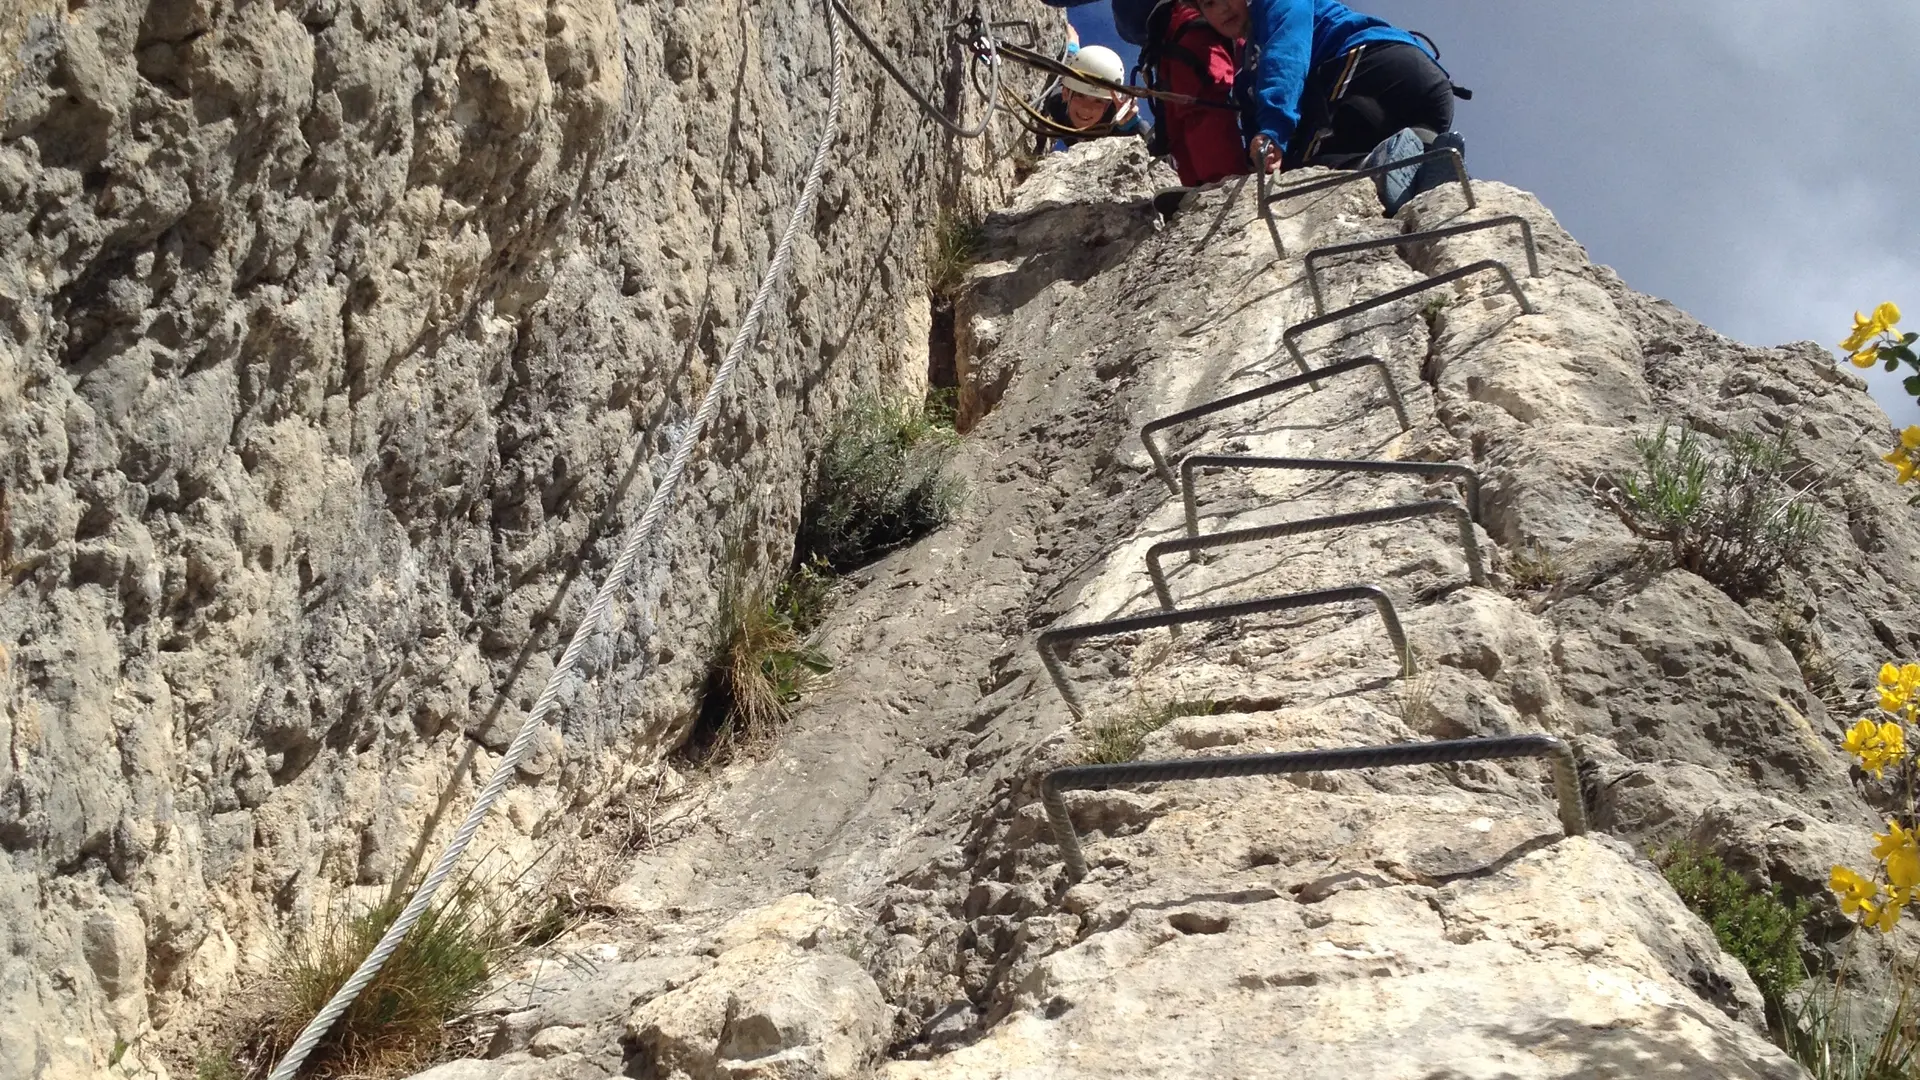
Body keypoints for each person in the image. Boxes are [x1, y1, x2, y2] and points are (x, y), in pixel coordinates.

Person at [1193, 0, 1459, 176]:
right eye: (1209, 3)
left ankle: (1375, 168)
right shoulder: (1246, 80)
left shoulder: (1272, 5)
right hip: (1421, 95)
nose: (1223, 7)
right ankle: (1434, 162)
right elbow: (1256, 140)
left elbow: (1287, 53)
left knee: (1301, 173)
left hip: (1372, 66)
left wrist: (1274, 128)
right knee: (1303, 158)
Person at [1144, 0, 1245, 186]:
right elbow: (1207, 111)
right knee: (1204, 101)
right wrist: (1226, 179)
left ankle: (1195, 183)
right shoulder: (1199, 34)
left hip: (1168, 31)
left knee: (1179, 113)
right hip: (1190, 27)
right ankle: (1220, 178)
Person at [1041, 44, 1151, 148]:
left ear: (1109, 104)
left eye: (1099, 101)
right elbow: (1060, 78)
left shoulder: (1119, 126)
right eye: (1081, 95)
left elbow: (1163, 155)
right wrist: (1072, 50)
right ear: (1066, 94)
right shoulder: (1056, 103)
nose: (1087, 108)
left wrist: (1134, 126)